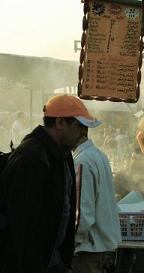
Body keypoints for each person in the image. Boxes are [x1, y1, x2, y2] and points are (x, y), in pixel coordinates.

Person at [0, 95, 99, 273]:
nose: (83, 133)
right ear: (60, 123)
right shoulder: (32, 158)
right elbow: (22, 226)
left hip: (54, 262)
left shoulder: (64, 154)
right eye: (79, 126)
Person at [71, 120, 121, 273]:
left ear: (81, 130)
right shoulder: (98, 155)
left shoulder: (82, 160)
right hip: (97, 247)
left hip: (85, 249)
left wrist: (73, 241)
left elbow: (82, 214)